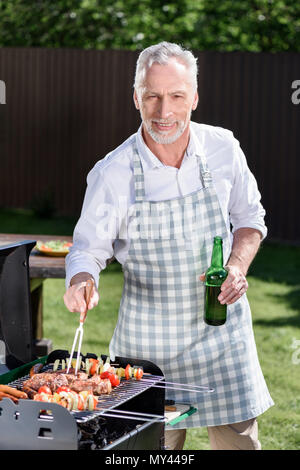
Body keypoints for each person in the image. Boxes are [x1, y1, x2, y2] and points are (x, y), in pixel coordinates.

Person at [63, 41, 274, 450]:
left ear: (194, 97)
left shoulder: (223, 149)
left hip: (222, 339)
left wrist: (236, 267)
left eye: (176, 96)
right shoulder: (114, 172)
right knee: (150, 451)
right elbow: (87, 250)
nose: (164, 112)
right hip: (149, 350)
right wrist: (81, 280)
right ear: (136, 98)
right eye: (152, 97)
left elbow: (250, 220)